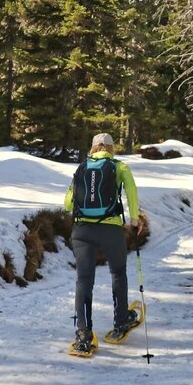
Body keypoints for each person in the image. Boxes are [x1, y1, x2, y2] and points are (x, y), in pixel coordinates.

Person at [64, 132, 144, 354]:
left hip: (81, 231)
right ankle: (121, 321)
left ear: (93, 148)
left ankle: (83, 333)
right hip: (110, 230)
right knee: (118, 272)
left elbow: (68, 204)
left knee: (84, 279)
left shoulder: (82, 167)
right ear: (111, 148)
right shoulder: (119, 167)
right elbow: (131, 191)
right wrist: (134, 219)